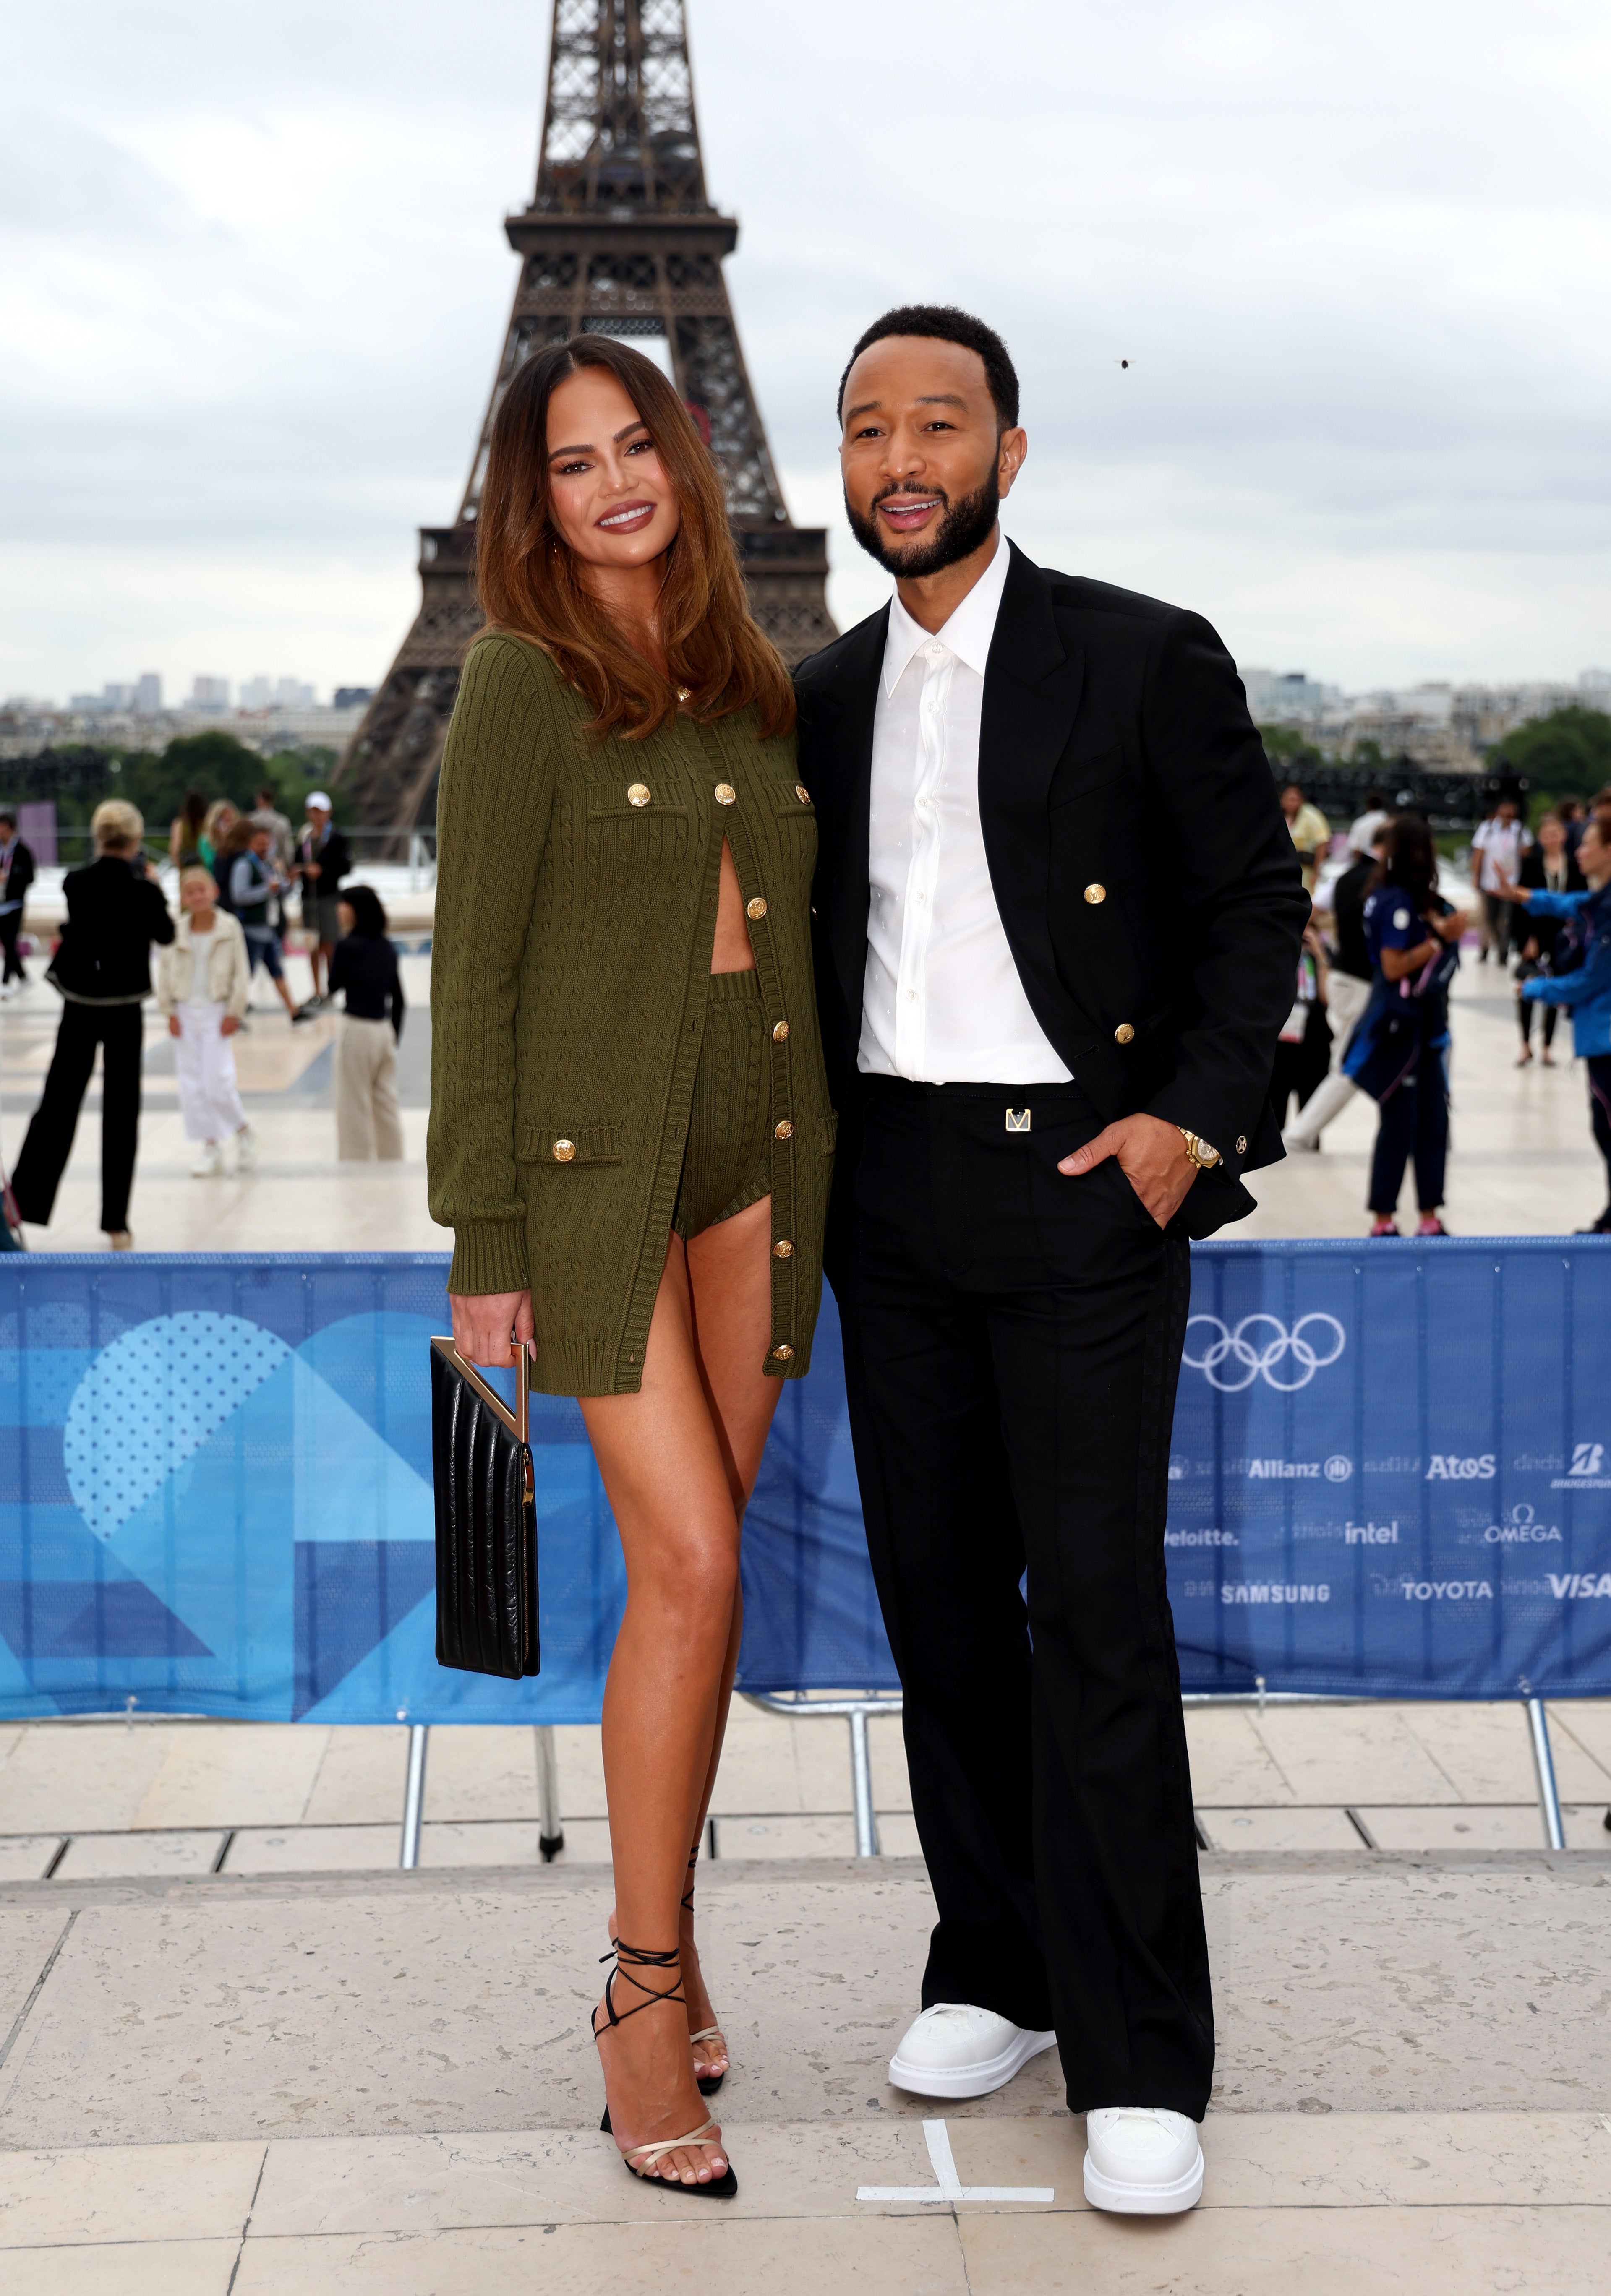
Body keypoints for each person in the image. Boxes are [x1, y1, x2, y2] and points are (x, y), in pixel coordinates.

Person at [795, 305, 1306, 2216]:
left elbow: (1256, 902)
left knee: (1094, 1610)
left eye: (938, 420)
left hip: (1084, 1178)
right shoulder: (817, 693)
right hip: (892, 1189)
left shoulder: (1140, 653)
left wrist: (1188, 1118)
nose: (899, 454)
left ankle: (1140, 2043)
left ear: (1011, 450)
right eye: (865, 425)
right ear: (840, 467)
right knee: (936, 1604)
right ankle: (997, 1957)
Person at [428, 333, 828, 2200]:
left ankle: (664, 1930)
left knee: (702, 1579)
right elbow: (476, 976)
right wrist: (483, 1244)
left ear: (685, 455)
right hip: (592, 1185)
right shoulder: (518, 683)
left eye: (635, 446)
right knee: (692, 1558)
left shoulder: (755, 689)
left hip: (757, 1162)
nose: (614, 483)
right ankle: (642, 1984)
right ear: (535, 499)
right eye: (571, 462)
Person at [10, 800, 173, 1249]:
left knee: (58, 1103)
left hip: (80, 1001)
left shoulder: (75, 882)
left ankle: (22, 1207)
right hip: (125, 1006)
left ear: (99, 837)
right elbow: (166, 934)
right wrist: (153, 888)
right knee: (122, 1112)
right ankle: (116, 1221)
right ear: (136, 840)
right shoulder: (144, 891)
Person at [1344, 817, 1468, 1237]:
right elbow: (1393, 964)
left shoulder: (1413, 899)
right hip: (1401, 1031)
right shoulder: (1394, 901)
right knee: (1399, 1123)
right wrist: (1438, 938)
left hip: (1427, 1030)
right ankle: (1383, 1218)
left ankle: (1429, 1215)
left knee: (1434, 1122)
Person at [1494, 816, 1611, 1231]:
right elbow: (1568, 905)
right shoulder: (1599, 901)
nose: (1579, 850)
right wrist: (1521, 895)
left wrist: (1533, 990)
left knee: (1607, 1126)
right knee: (1603, 1125)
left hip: (1605, 1037)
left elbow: (1590, 980)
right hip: (1598, 1038)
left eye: (1588, 844)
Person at [1282, 822, 1390, 1151]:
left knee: (1361, 1060)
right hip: (1362, 983)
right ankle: (1300, 1133)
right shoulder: (1383, 879)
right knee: (1347, 1065)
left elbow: (1310, 907)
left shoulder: (1346, 877)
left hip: (1344, 977)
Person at [156, 865, 256, 1177]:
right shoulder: (177, 929)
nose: (197, 896)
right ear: (184, 898)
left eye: (202, 890)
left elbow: (242, 972)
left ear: (214, 891)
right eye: (190, 892)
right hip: (185, 1011)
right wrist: (169, 1011)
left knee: (217, 1081)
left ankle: (242, 1130)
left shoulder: (229, 928)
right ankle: (209, 1146)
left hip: (217, 1011)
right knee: (192, 1084)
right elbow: (164, 970)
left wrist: (234, 1012)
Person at [330, 885, 405, 1160]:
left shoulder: (347, 946)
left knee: (354, 1101)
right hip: (383, 1030)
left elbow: (333, 984)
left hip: (357, 1028)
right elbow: (400, 999)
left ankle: (356, 1161)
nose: (339, 909)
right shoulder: (387, 947)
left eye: (344, 904)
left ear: (355, 910)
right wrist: (394, 1037)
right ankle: (392, 1158)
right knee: (386, 1101)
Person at [1513, 812, 1584, 1067]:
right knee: (1528, 984)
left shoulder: (1575, 865)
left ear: (1564, 836)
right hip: (1536, 933)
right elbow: (1521, 903)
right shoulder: (1531, 864)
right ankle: (1525, 1044)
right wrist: (1525, 939)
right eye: (1547, 835)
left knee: (1556, 984)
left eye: (1556, 834)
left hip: (1564, 937)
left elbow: (1581, 901)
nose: (1552, 839)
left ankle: (1547, 1046)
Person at [1267, 903, 1332, 1131]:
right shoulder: (1279, 952)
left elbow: (1328, 998)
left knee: (1311, 1114)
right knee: (1276, 1114)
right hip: (1282, 1042)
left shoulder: (1323, 955)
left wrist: (1320, 955)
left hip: (1313, 1041)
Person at [227, 823, 298, 1021]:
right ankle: (233, 1014)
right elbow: (239, 895)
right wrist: (267, 889)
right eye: (260, 843)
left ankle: (293, 1011)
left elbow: (279, 893)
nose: (265, 847)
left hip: (268, 928)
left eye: (267, 843)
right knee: (244, 975)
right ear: (250, 843)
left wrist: (290, 883)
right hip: (251, 929)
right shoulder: (244, 865)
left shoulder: (267, 865)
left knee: (277, 971)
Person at [295, 794, 351, 1009]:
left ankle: (331, 988)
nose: (315, 815)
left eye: (319, 811)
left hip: (328, 896)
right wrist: (299, 872)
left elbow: (345, 867)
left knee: (329, 943)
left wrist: (323, 872)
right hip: (309, 897)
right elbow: (298, 861)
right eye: (313, 811)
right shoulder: (305, 837)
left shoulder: (336, 838)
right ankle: (317, 990)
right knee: (312, 944)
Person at [1471, 797, 1531, 963]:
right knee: (1489, 917)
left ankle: (1503, 950)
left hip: (1511, 882)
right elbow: (1478, 855)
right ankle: (1494, 945)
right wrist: (1475, 876)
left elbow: (1526, 855)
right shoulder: (1487, 829)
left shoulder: (1520, 831)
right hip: (1489, 881)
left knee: (1506, 918)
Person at [0, 811, 37, 996]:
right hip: (1, 903)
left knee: (10, 939)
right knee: (7, 943)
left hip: (15, 903)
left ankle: (5, 981)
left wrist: (10, 878)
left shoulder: (23, 852)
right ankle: (23, 976)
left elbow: (30, 877)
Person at [1279, 779, 1331, 892]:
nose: (1291, 803)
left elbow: (1322, 843)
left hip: (1305, 869)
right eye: (1288, 799)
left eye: (1295, 800)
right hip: (1284, 869)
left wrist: (1316, 872)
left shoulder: (1311, 815)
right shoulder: (1280, 816)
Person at [169, 792, 208, 871]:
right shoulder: (206, 824)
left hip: (187, 867)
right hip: (204, 867)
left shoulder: (180, 824)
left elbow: (174, 851)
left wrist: (180, 869)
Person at [1347, 788, 1390, 859]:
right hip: (1387, 864)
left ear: (1368, 805)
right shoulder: (1391, 823)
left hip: (1366, 864)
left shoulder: (1360, 823)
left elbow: (1355, 848)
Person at [198, 800, 237, 875]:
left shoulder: (236, 840)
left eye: (230, 821)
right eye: (224, 821)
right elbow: (210, 863)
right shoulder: (206, 840)